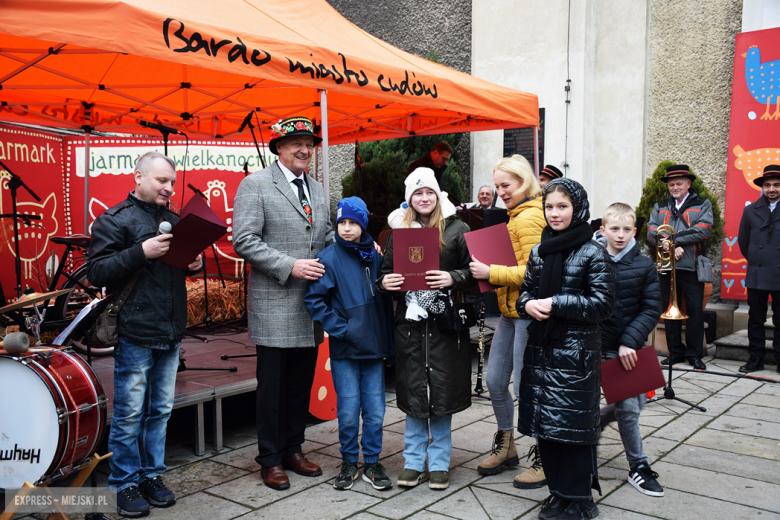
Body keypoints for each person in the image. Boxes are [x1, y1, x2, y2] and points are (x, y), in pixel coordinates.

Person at [87, 151, 203, 518]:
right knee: (129, 414)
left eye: (172, 181)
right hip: (136, 331)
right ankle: (124, 483)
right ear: (138, 177)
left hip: (171, 330)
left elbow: (170, 272)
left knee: (160, 412)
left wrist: (191, 264)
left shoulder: (173, 219)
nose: (170, 188)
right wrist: (141, 251)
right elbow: (97, 272)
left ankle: (152, 475)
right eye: (161, 181)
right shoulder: (113, 220)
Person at [233, 116, 334, 491]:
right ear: (279, 147)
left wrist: (356, 247)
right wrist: (289, 265)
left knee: (299, 386)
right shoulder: (255, 185)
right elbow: (243, 240)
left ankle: (293, 448)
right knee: (272, 389)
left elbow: (324, 236)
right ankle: (270, 459)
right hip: (274, 305)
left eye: (308, 143)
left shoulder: (319, 189)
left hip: (311, 308)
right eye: (295, 143)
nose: (304, 149)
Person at [517, 178, 614, 520]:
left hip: (576, 355)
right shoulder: (539, 251)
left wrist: (557, 303)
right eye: (549, 207)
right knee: (548, 427)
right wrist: (527, 305)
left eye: (562, 206)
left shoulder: (593, 250)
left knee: (572, 430)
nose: (554, 213)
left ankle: (580, 500)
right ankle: (558, 494)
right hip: (543, 351)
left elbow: (603, 305)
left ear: (578, 209)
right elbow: (525, 293)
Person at [378, 167, 474, 491]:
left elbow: (474, 271)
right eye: (417, 193)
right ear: (409, 199)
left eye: (429, 192)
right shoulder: (398, 233)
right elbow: (385, 275)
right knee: (415, 391)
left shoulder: (458, 229)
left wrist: (453, 277)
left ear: (437, 195)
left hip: (445, 324)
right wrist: (386, 282)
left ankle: (440, 462)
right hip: (411, 326)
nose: (423, 198)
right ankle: (413, 461)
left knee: (442, 392)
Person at [467, 155, 547, 489]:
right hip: (510, 314)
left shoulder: (529, 218)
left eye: (506, 185)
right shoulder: (517, 216)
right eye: (497, 185)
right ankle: (507, 444)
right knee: (497, 381)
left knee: (528, 386)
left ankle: (546, 454)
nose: (500, 192)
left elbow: (535, 271)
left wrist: (491, 273)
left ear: (524, 182)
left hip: (526, 315)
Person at [304, 196, 394, 491]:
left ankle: (372, 461)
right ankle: (347, 460)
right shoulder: (328, 258)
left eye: (352, 223)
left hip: (374, 348)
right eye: (341, 222)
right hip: (345, 348)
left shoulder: (375, 255)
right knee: (347, 409)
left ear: (363, 224)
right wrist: (341, 328)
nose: (345, 228)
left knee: (375, 409)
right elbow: (314, 299)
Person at [596, 203, 665, 497]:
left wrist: (630, 340)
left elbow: (651, 307)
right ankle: (639, 465)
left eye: (626, 230)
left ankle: (600, 420)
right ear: (603, 230)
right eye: (614, 229)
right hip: (594, 346)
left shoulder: (644, 265)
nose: (620, 235)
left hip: (627, 347)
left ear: (634, 231)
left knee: (635, 405)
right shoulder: (591, 259)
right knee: (627, 407)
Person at [647, 164, 713, 371]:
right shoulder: (660, 205)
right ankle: (675, 352)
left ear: (688, 184)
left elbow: (703, 231)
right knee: (668, 310)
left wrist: (673, 241)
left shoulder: (703, 204)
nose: (674, 187)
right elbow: (650, 232)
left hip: (691, 266)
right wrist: (667, 245)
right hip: (667, 266)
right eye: (671, 184)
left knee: (694, 310)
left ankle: (694, 355)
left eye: (679, 184)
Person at [737, 164, 780, 373]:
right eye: (768, 185)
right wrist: (756, 260)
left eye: (777, 185)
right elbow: (744, 242)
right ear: (762, 187)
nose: (772, 189)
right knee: (756, 319)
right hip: (757, 273)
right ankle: (755, 359)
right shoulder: (750, 211)